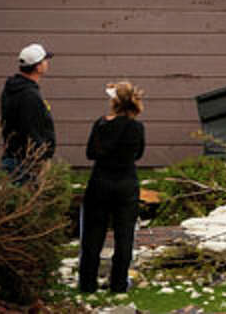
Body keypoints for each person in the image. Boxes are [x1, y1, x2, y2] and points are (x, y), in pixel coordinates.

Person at [78, 81, 146, 294]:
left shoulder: (100, 124)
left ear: (114, 101)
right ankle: (118, 285)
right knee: (124, 236)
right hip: (126, 183)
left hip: (100, 182)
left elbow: (90, 153)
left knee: (92, 235)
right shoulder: (137, 127)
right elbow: (138, 154)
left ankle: (88, 284)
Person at [0, 42, 57, 183]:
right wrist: (41, 158)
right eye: (44, 60)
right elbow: (32, 129)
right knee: (26, 199)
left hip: (14, 156)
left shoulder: (12, 89)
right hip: (26, 162)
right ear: (38, 67)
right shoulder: (29, 95)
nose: (47, 63)